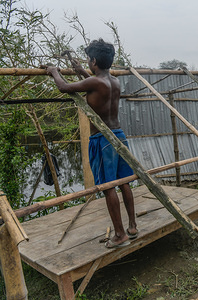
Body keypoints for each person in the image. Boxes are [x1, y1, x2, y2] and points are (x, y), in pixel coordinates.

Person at [45, 39, 138, 248]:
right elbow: (97, 85)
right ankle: (132, 227)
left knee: (108, 187)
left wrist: (53, 71)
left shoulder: (95, 83)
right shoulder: (114, 81)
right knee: (124, 182)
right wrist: (82, 71)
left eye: (88, 59)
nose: (87, 62)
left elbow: (64, 87)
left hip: (102, 138)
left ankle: (120, 234)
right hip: (119, 134)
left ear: (94, 60)